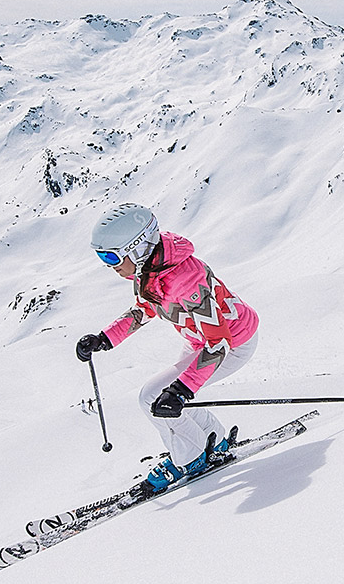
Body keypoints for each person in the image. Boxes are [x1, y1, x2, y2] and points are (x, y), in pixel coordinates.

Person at [75, 203, 261, 493]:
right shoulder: (151, 267)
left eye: (111, 256)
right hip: (202, 342)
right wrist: (104, 338)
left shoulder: (185, 281)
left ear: (137, 248)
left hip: (232, 344)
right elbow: (144, 308)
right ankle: (213, 439)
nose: (109, 265)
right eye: (102, 256)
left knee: (153, 398)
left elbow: (219, 342)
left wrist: (182, 390)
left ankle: (191, 458)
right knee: (165, 400)